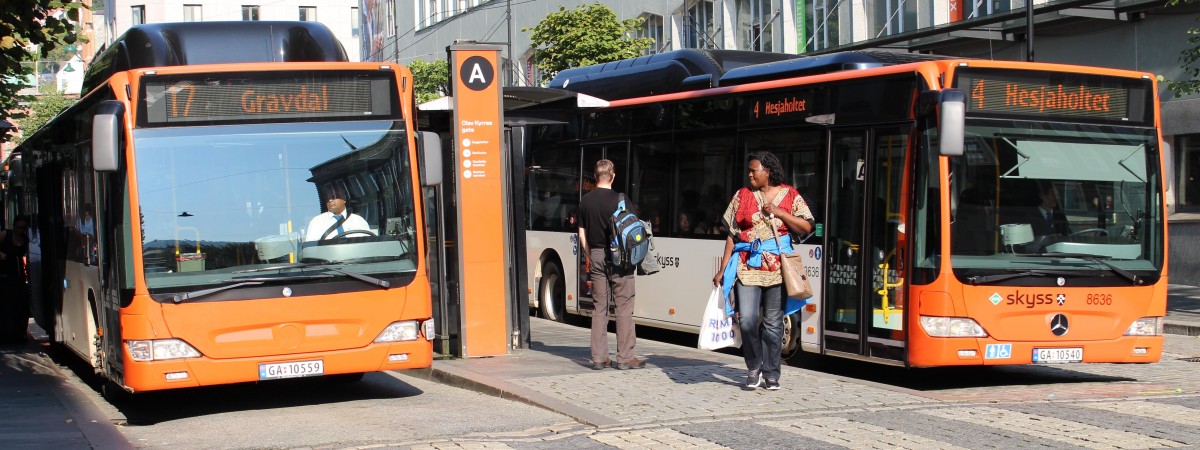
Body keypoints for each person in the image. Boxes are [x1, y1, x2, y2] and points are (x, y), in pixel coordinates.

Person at [712, 151, 814, 391]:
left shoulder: (791, 195)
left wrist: (780, 213)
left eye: (753, 170)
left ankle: (771, 373)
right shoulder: (742, 195)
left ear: (767, 171)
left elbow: (807, 225)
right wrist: (723, 268)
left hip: (778, 269)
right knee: (746, 319)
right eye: (749, 170)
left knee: (773, 323)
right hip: (747, 264)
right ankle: (753, 365)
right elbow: (732, 234)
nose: (749, 174)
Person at [577, 159, 644, 370]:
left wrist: (591, 254)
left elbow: (582, 233)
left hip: (596, 254)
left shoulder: (585, 201)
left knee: (599, 307)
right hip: (621, 259)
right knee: (624, 307)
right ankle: (625, 358)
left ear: (595, 177)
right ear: (613, 176)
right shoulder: (621, 200)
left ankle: (599, 358)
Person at [0, 216, 31, 344]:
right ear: (13, 227)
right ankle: (5, 334)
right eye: (18, 227)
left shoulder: (25, 240)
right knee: (5, 306)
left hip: (19, 277)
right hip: (4, 277)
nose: (20, 230)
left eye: (23, 228)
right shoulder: (5, 235)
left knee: (21, 306)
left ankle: (19, 333)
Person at [305, 187, 372, 242]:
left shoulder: (358, 221)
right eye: (327, 199)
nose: (330, 200)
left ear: (344, 199)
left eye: (333, 197)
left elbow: (368, 245)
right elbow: (311, 248)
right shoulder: (317, 222)